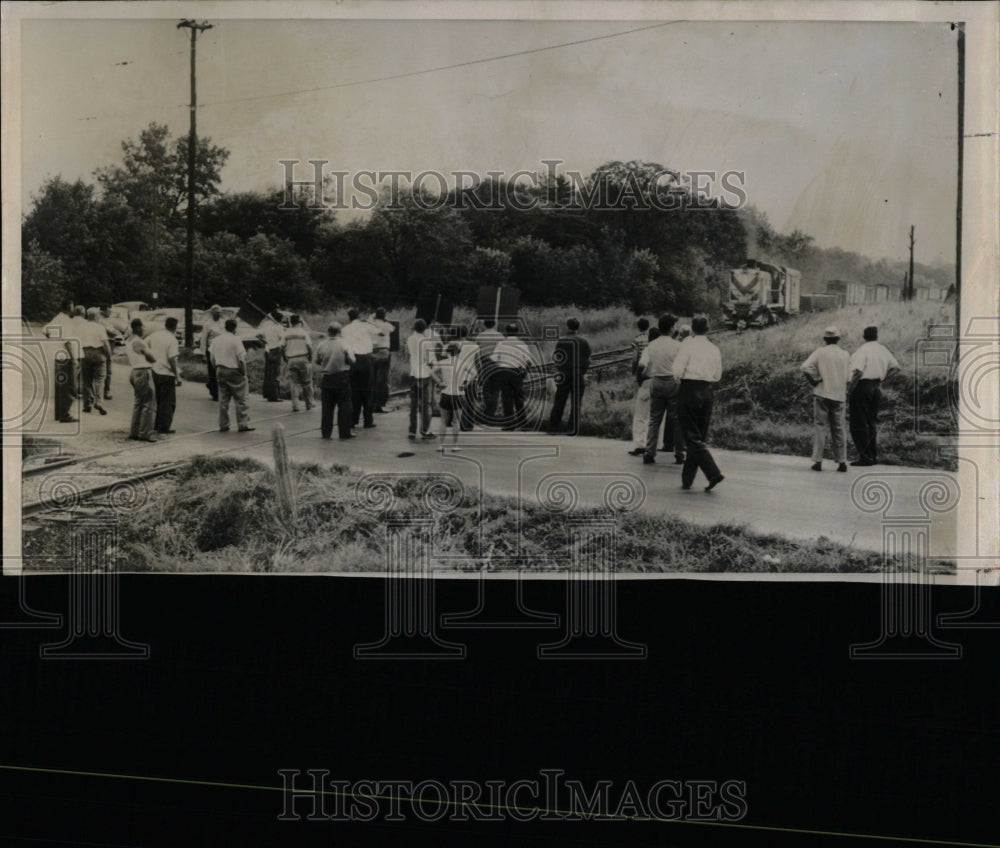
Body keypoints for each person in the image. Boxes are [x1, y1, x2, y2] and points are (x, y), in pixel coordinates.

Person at [672, 316, 724, 491]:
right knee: (698, 436)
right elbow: (717, 376)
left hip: (689, 390)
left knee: (691, 436)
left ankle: (713, 473)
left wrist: (681, 379)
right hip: (707, 391)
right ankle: (687, 480)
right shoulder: (714, 349)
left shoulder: (688, 345)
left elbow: (676, 370)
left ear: (693, 328)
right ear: (708, 328)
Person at [848, 325, 900, 466]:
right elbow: (896, 368)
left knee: (858, 423)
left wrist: (850, 390)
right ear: (877, 336)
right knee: (871, 422)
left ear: (864, 336)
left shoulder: (863, 350)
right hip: (876, 387)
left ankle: (865, 457)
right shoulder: (883, 349)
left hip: (863, 386)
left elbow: (858, 372)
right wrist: (883, 380)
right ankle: (873, 456)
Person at [800, 325, 850, 472]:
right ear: (838, 339)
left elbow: (804, 367)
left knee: (820, 428)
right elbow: (850, 377)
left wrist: (813, 381)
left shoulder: (820, 352)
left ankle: (818, 461)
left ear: (824, 339)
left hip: (822, 393)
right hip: (839, 395)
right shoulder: (845, 354)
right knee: (839, 429)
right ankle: (842, 462)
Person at [642, 315, 686, 464]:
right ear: (672, 328)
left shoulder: (651, 345)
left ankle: (649, 452)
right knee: (677, 419)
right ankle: (679, 453)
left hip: (656, 381)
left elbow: (643, 366)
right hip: (672, 382)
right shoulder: (678, 346)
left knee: (654, 419)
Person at [209, 318, 254, 433]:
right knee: (241, 398)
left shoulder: (216, 340)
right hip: (234, 371)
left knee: (223, 399)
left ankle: (223, 424)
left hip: (220, 369)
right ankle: (243, 423)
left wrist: (217, 369)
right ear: (235, 328)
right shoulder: (236, 340)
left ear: (225, 327)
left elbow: (212, 358)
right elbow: (241, 360)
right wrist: (244, 373)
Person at [547, 317, 591, 433]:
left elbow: (557, 357)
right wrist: (583, 371)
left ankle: (553, 426)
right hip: (578, 374)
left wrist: (560, 368)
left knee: (559, 400)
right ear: (578, 327)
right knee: (576, 402)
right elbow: (588, 359)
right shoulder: (584, 341)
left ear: (567, 326)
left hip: (564, 374)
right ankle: (572, 428)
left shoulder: (562, 340)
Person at [492, 323, 537, 430]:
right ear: (517, 332)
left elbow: (494, 359)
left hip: (504, 372)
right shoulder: (522, 344)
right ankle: (523, 423)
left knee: (506, 399)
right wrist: (524, 373)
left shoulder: (501, 344)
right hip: (517, 372)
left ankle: (509, 424)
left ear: (506, 332)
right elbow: (529, 361)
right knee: (519, 398)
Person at [315, 322, 355, 440]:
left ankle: (326, 432)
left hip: (326, 378)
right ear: (340, 331)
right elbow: (352, 361)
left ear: (328, 331)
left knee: (327, 407)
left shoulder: (321, 345)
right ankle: (344, 433)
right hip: (341, 377)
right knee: (344, 406)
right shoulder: (344, 344)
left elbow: (317, 361)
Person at [45, 298, 78, 423]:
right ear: (69, 307)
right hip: (65, 357)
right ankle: (65, 414)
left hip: (56, 356)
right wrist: (74, 358)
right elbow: (68, 342)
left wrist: (53, 339)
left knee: (60, 385)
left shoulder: (56, 318)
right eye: (73, 306)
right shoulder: (66, 321)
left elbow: (45, 330)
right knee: (69, 386)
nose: (73, 309)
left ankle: (59, 413)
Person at [147, 315, 182, 434]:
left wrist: (150, 359)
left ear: (165, 325)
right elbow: (172, 358)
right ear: (175, 327)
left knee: (159, 398)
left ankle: (157, 424)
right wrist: (177, 374)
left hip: (155, 369)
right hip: (166, 373)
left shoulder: (155, 335)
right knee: (168, 402)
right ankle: (164, 426)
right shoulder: (172, 339)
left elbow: (145, 346)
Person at [126, 318, 159, 442]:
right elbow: (152, 357)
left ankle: (134, 431)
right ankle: (145, 433)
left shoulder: (128, 341)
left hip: (134, 371)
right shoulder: (138, 342)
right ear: (138, 327)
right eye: (143, 327)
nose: (144, 329)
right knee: (148, 404)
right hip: (143, 371)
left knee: (138, 403)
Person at [628, 326, 660, 456]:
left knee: (640, 415)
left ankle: (640, 444)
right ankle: (655, 444)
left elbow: (641, 365)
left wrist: (638, 376)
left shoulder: (649, 348)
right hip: (661, 382)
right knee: (655, 416)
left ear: (649, 337)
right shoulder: (666, 348)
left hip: (648, 382)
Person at [342, 308, 375, 429]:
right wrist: (369, 322)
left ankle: (353, 419)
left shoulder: (344, 329)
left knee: (353, 391)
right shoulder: (365, 326)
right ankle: (368, 420)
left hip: (352, 360)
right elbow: (381, 332)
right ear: (359, 316)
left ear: (348, 317)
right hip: (366, 358)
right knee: (367, 390)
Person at [432, 342, 465, 451]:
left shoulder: (442, 362)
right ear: (459, 352)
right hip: (458, 395)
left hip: (446, 393)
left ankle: (441, 445)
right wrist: (464, 384)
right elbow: (474, 374)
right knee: (456, 421)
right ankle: (455, 445)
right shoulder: (463, 363)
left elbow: (432, 372)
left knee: (443, 421)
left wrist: (439, 382)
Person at [79, 307, 111, 415]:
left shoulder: (81, 327)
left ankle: (87, 404)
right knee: (100, 379)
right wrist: (109, 356)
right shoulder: (100, 327)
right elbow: (105, 344)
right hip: (98, 353)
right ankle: (99, 402)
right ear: (96, 316)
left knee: (87, 380)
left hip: (84, 353)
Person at [407, 318, 435, 440]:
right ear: (424, 328)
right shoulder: (426, 342)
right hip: (424, 374)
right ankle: (425, 430)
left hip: (413, 373)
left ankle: (412, 430)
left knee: (413, 404)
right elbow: (430, 360)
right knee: (425, 404)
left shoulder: (410, 339)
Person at [282, 314, 314, 413]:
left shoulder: (286, 333)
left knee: (294, 383)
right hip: (303, 358)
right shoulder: (304, 333)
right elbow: (309, 347)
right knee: (307, 382)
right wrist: (310, 357)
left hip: (291, 359)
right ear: (300, 322)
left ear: (291, 322)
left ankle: (295, 406)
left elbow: (281, 347)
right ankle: (308, 404)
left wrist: (285, 358)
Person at [474, 318, 505, 420]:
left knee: (486, 388)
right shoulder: (500, 336)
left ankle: (488, 411)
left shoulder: (480, 336)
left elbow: (476, 352)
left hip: (484, 363)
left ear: (484, 324)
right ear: (494, 324)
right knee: (496, 389)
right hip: (496, 363)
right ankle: (492, 413)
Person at [369, 307, 394, 412]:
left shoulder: (370, 325)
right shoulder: (386, 325)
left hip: (371, 352)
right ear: (384, 316)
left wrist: (373, 318)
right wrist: (386, 320)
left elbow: (369, 320)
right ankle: (379, 404)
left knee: (372, 379)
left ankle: (371, 403)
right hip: (383, 352)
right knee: (382, 380)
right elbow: (393, 328)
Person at [199, 304, 226, 401]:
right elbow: (204, 338)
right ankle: (214, 392)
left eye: (219, 313)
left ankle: (216, 388)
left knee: (220, 370)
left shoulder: (222, 322)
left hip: (222, 349)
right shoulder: (207, 324)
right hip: (211, 349)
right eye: (216, 313)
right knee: (212, 371)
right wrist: (203, 353)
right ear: (212, 313)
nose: (218, 315)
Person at [259, 309, 286, 402]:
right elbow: (283, 339)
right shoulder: (279, 327)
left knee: (268, 372)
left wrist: (265, 342)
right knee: (275, 373)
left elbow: (258, 335)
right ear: (279, 319)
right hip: (276, 349)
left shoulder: (267, 326)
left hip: (267, 349)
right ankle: (274, 396)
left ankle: (267, 393)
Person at [99, 305, 115, 400]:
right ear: (103, 311)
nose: (110, 313)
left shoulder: (105, 321)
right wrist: (117, 333)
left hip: (109, 343)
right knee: (108, 368)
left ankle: (105, 391)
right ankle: (106, 391)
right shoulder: (102, 321)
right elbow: (111, 332)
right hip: (106, 344)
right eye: (109, 311)